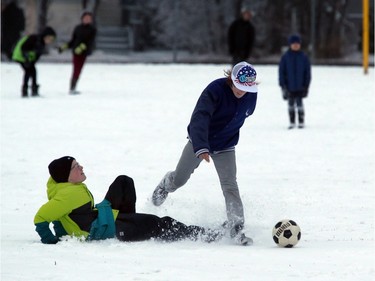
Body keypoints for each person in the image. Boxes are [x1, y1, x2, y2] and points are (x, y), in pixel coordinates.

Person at [152, 61, 258, 246]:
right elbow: (200, 117)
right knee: (180, 179)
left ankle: (236, 228)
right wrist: (201, 147)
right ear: (230, 79)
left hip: (225, 145)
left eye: (245, 88)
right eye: (238, 86)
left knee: (230, 186)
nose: (241, 91)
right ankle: (166, 184)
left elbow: (243, 114)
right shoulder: (214, 90)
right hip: (200, 141)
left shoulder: (250, 95)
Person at [34, 156, 221, 244]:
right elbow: (42, 217)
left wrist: (61, 230)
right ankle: (202, 234)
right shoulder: (68, 195)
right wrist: (51, 239)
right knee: (157, 223)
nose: (81, 166)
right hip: (105, 229)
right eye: (76, 166)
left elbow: (59, 215)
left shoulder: (65, 187)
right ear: (67, 176)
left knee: (124, 182)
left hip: (103, 217)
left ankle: (131, 221)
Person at [58, 11, 96, 95]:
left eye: (89, 18)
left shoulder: (92, 29)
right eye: (85, 18)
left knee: (78, 70)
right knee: (76, 69)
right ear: (82, 19)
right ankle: (72, 88)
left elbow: (89, 42)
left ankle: (73, 87)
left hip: (84, 52)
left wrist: (81, 48)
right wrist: (64, 47)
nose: (87, 19)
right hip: (76, 52)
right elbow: (73, 40)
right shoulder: (78, 28)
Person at [12, 26, 56, 97]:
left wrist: (32, 62)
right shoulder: (34, 38)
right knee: (28, 71)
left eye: (52, 39)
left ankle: (34, 89)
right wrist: (26, 59)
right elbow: (23, 47)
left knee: (33, 71)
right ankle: (25, 90)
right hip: (20, 55)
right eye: (49, 38)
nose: (50, 41)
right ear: (45, 36)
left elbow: (37, 56)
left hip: (29, 58)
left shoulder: (42, 44)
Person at [278, 34, 311, 129]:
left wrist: (306, 85)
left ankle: (301, 121)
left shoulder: (304, 57)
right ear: (290, 44)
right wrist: (282, 85)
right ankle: (292, 121)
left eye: (297, 43)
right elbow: (281, 72)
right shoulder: (285, 57)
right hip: (289, 86)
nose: (295, 45)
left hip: (301, 86)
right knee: (291, 104)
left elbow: (307, 72)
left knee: (300, 104)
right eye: (293, 43)